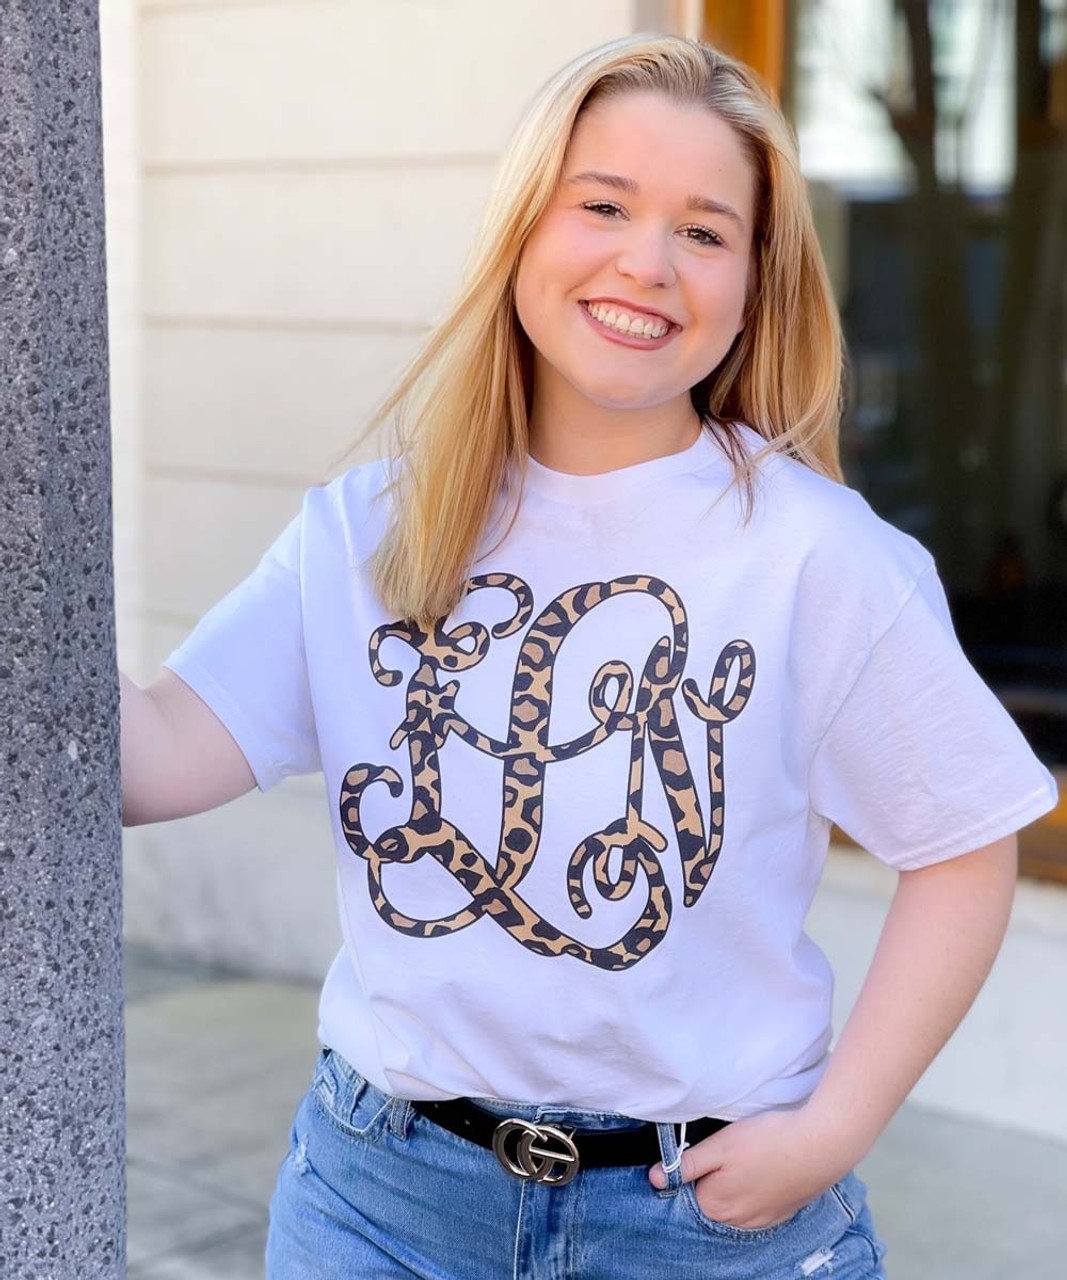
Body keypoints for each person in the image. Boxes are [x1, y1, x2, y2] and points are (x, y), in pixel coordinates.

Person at [119, 31, 1058, 1280]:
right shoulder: (366, 531)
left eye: (705, 230)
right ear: (522, 229)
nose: (646, 261)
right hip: (379, 1202)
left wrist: (833, 1126)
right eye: (602, 204)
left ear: (752, 282)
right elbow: (152, 757)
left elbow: (962, 842)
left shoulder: (818, 557)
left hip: (703, 1220)